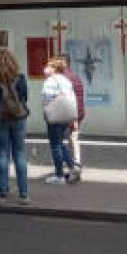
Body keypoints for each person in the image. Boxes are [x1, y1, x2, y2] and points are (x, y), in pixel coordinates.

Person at [0, 49, 30, 203]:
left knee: (3, 154)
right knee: (20, 154)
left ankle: (2, 193)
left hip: (0, 119)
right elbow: (25, 97)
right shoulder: (20, 78)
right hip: (19, 118)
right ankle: (24, 194)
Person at [41, 57, 79, 185]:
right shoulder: (66, 80)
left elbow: (47, 98)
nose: (46, 69)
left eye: (49, 66)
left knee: (55, 145)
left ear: (54, 69)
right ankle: (73, 168)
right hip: (66, 116)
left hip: (55, 116)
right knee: (61, 143)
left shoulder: (50, 81)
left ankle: (59, 175)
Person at [61, 55, 86, 181]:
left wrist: (74, 118)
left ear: (64, 63)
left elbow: (72, 100)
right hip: (75, 114)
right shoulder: (74, 77)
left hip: (70, 115)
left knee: (69, 141)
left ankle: (74, 167)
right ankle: (75, 166)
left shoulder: (65, 79)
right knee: (72, 140)